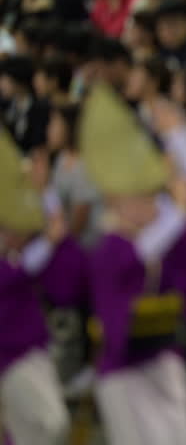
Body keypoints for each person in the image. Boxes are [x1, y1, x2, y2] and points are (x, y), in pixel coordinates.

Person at [79, 84, 186, 445]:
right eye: (144, 197)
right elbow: (141, 253)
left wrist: (179, 138)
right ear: (117, 201)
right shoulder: (112, 247)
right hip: (125, 371)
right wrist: (178, 213)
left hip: (162, 358)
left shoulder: (152, 238)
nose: (153, 203)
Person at [0, 130, 86, 445]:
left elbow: (68, 284)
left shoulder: (29, 247)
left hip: (24, 349)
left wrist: (46, 197)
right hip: (12, 350)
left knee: (45, 425)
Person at [45, 104, 102, 248]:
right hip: (63, 234)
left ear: (68, 128)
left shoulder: (84, 166)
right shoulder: (63, 157)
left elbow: (78, 222)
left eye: (54, 124)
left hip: (84, 246)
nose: (48, 130)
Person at [0, 55, 50, 154]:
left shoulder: (39, 109)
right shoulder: (5, 106)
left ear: (19, 82)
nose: (1, 85)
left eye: (5, 80)